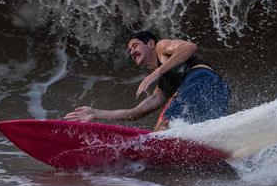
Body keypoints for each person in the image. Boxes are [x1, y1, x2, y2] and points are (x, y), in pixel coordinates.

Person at [64, 31, 230, 130]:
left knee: (165, 124)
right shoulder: (165, 86)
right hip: (217, 94)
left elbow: (189, 47)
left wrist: (158, 71)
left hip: (203, 80)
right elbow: (135, 113)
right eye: (130, 50)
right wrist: (96, 113)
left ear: (150, 43)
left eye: (135, 45)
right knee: (190, 131)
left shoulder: (161, 47)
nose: (132, 51)